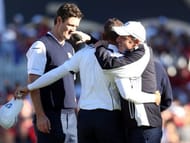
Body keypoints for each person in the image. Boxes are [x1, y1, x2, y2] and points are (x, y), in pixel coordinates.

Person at [15, 18, 161, 143]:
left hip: (84, 118)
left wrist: (31, 86)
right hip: (108, 118)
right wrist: (152, 97)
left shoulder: (83, 54)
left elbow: (55, 73)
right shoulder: (120, 59)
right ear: (117, 37)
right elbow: (126, 92)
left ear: (103, 34)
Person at [94, 21, 163, 143]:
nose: (118, 39)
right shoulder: (130, 54)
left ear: (136, 41)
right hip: (136, 126)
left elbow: (108, 64)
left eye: (123, 37)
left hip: (145, 127)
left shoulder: (141, 52)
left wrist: (99, 46)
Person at [23, 3, 83, 143]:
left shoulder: (70, 48)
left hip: (70, 117)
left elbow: (70, 85)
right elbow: (33, 83)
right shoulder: (40, 46)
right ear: (59, 20)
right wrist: (40, 115)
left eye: (76, 27)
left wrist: (75, 111)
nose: (73, 30)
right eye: (70, 25)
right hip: (50, 117)